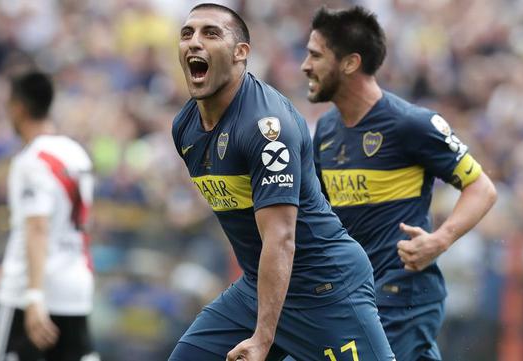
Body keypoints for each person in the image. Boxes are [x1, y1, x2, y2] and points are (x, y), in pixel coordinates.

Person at [169, 4, 395, 361]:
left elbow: (281, 238)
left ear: (241, 52)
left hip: (326, 291)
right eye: (187, 34)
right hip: (260, 288)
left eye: (210, 33)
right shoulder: (185, 127)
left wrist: (263, 337)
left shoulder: (266, 126)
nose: (194, 42)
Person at [301, 6, 497, 361]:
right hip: (356, 296)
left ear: (349, 63)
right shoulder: (326, 131)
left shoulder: (411, 124)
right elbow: (324, 215)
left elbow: (482, 188)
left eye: (315, 55)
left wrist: (441, 239)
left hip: (402, 294)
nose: (305, 65)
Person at [0, 71, 99, 361]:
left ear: (18, 108)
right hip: (75, 289)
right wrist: (1, 274)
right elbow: (68, 229)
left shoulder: (31, 161)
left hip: (28, 295)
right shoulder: (78, 155)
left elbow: (38, 228)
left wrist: (34, 296)